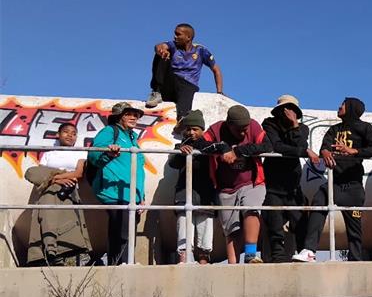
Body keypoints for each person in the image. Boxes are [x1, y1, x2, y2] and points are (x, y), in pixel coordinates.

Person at [292, 97, 372, 262]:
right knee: (318, 203)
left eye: (343, 104)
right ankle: (309, 251)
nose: (339, 106)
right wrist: (325, 152)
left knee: (354, 227)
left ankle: (355, 260)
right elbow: (324, 146)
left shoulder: (364, 128)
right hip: (334, 184)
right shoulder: (334, 129)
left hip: (353, 186)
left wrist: (353, 150)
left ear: (351, 108)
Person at [233, 95, 317, 262]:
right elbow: (276, 146)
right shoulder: (269, 124)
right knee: (274, 221)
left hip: (293, 185)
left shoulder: (302, 128)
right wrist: (303, 151)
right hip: (273, 183)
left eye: (291, 110)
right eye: (285, 110)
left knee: (299, 221)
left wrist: (294, 126)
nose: (287, 113)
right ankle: (277, 257)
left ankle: (304, 254)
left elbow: (299, 144)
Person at [202, 105, 266, 264]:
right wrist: (222, 148)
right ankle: (233, 264)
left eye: (246, 129)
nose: (244, 133)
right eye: (239, 129)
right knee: (231, 227)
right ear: (229, 124)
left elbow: (267, 146)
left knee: (251, 209)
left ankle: (251, 255)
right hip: (226, 187)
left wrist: (237, 151)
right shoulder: (216, 129)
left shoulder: (254, 126)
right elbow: (201, 144)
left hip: (251, 181)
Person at [25, 123, 92, 266]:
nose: (70, 135)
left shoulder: (80, 153)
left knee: (67, 221)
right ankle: (48, 253)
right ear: (58, 134)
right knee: (46, 217)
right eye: (66, 132)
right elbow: (40, 174)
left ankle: (65, 254)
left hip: (69, 191)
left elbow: (78, 174)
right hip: (48, 190)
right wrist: (57, 178)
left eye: (74, 133)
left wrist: (56, 177)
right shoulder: (48, 154)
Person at [87, 102, 146, 265]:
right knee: (122, 229)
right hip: (113, 191)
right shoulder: (109, 131)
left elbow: (139, 169)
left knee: (128, 229)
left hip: (132, 194)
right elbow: (93, 155)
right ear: (119, 116)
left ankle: (123, 263)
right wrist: (108, 152)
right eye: (129, 114)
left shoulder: (133, 138)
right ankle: (120, 264)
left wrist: (141, 195)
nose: (134, 117)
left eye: (136, 114)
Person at [145, 23, 223, 117]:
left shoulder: (200, 50)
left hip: (188, 85)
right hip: (171, 83)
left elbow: (216, 70)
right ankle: (157, 92)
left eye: (178, 34)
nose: (175, 37)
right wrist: (161, 50)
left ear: (188, 37)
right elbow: (159, 46)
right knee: (161, 55)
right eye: (175, 33)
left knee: (184, 113)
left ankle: (182, 120)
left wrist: (219, 92)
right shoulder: (173, 45)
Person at [168, 110, 215, 264]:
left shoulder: (209, 147)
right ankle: (184, 257)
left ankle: (203, 259)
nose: (191, 132)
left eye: (195, 129)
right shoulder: (179, 147)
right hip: (184, 193)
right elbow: (173, 163)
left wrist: (203, 148)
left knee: (205, 226)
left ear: (202, 130)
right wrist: (182, 151)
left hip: (205, 194)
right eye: (188, 129)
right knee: (184, 224)